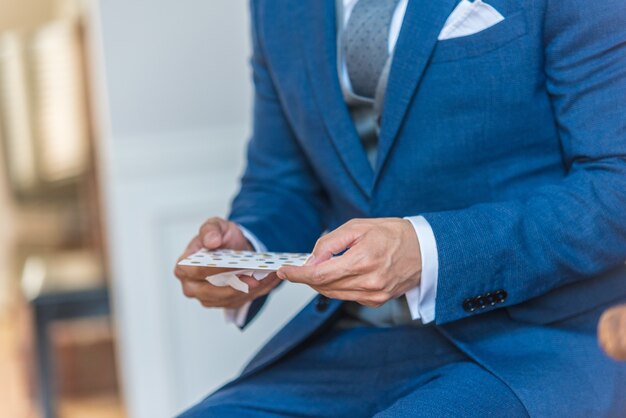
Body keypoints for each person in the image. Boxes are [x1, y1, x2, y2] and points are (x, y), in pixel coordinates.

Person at [175, 0, 626, 416]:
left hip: (524, 347)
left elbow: (615, 181)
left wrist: (430, 252)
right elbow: (282, 181)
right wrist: (248, 246)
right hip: (344, 341)